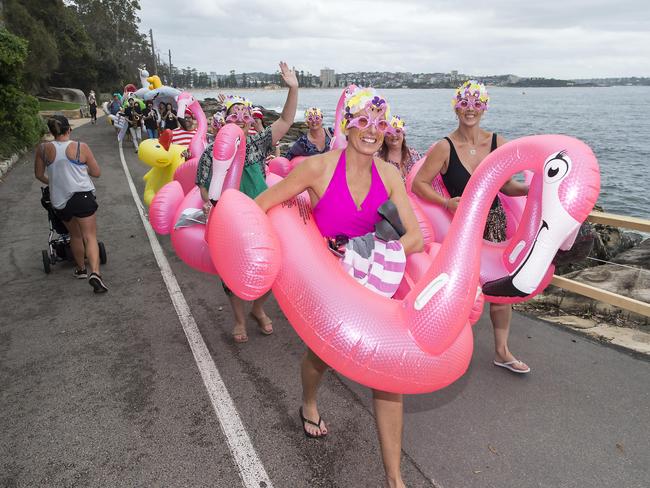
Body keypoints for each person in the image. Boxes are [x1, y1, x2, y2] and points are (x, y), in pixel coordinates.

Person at [255, 87, 423, 488]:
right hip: (331, 286)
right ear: (346, 124)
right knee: (321, 358)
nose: (371, 131)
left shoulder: (389, 173)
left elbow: (415, 236)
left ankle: (394, 478)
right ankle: (309, 402)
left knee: (387, 378)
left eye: (379, 123)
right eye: (362, 121)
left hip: (376, 283)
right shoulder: (318, 168)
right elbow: (262, 205)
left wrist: (368, 250)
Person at [412, 80, 530, 373]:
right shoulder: (444, 147)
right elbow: (418, 183)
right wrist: (445, 202)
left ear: (484, 108)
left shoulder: (497, 143)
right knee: (463, 290)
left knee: (501, 290)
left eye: (477, 104)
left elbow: (507, 186)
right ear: (456, 107)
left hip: (495, 223)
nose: (470, 110)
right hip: (462, 228)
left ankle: (502, 351)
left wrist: (531, 190)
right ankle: (449, 350)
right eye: (465, 103)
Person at [196, 61, 299, 343]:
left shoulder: (256, 144)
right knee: (231, 274)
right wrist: (210, 204)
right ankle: (240, 320)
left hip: (261, 215)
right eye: (234, 115)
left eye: (244, 115)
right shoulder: (210, 153)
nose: (240, 119)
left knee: (270, 266)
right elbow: (203, 186)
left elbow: (286, 122)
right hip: (228, 221)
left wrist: (293, 88)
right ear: (225, 120)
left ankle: (258, 309)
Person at [34, 115, 108, 293]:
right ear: (69, 129)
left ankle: (81, 269)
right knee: (89, 236)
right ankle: (95, 273)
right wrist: (82, 170)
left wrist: (54, 182)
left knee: (74, 235)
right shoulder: (81, 147)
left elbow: (38, 175)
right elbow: (96, 173)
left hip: (59, 200)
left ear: (52, 132)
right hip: (82, 196)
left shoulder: (43, 149)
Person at [376, 115, 421, 181]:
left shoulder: (413, 154)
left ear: (403, 134)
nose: (394, 135)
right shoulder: (377, 159)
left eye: (397, 131)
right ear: (384, 136)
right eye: (389, 132)